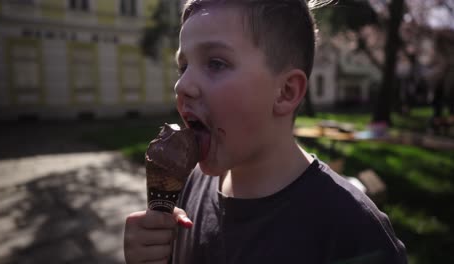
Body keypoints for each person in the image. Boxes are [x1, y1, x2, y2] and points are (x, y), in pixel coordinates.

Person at [124, 0, 408, 263]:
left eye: (215, 63)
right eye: (183, 67)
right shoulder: (187, 190)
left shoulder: (354, 232)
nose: (182, 85)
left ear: (285, 92)